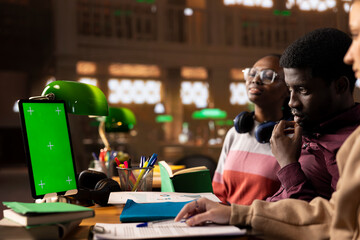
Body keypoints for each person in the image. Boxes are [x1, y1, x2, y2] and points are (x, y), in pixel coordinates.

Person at [175, 25, 360, 239]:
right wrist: (231, 214)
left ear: (340, 86)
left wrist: (288, 164)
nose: (292, 102)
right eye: (290, 90)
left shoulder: (349, 145)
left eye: (303, 90)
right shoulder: (309, 128)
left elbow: (322, 224)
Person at [213, 54, 290, 205]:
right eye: (252, 73)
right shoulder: (235, 134)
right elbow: (218, 193)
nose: (255, 80)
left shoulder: (290, 139)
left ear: (287, 89)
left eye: (268, 76)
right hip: (225, 224)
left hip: (262, 225)